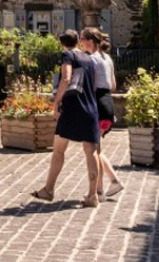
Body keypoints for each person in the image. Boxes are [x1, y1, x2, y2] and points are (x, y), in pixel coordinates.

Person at [31, 30, 101, 208]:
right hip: (91, 107)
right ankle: (93, 195)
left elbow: (66, 78)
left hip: (72, 108)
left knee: (59, 150)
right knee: (91, 152)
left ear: (61, 43)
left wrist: (56, 102)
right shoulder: (89, 58)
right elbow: (93, 85)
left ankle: (48, 189)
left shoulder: (67, 55)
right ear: (78, 41)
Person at [83, 30, 124, 199]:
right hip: (108, 103)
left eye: (83, 39)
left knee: (92, 150)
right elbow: (113, 85)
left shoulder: (92, 59)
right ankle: (107, 186)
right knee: (96, 149)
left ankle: (104, 187)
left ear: (90, 41)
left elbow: (91, 86)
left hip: (97, 104)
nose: (80, 41)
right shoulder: (108, 58)